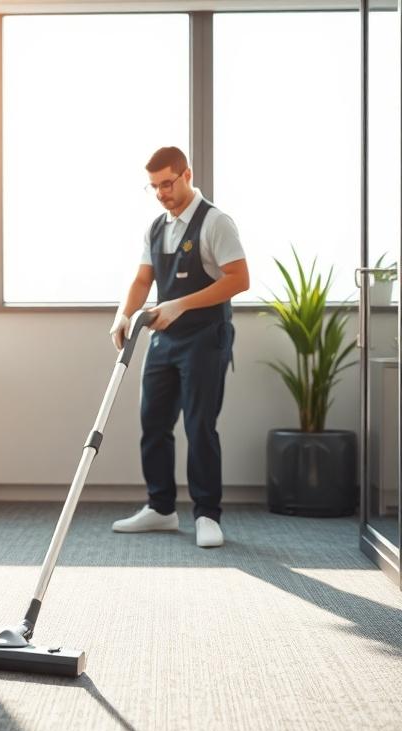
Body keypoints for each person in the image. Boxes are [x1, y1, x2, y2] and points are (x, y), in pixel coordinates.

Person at [109, 147, 249, 548]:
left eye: (167, 183)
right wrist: (124, 315)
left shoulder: (215, 222)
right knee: (153, 423)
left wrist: (180, 304)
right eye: (153, 186)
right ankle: (161, 509)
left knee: (199, 425)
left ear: (187, 175)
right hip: (163, 340)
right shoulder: (156, 227)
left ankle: (207, 515)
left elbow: (239, 279)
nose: (161, 193)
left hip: (205, 338)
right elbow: (143, 280)